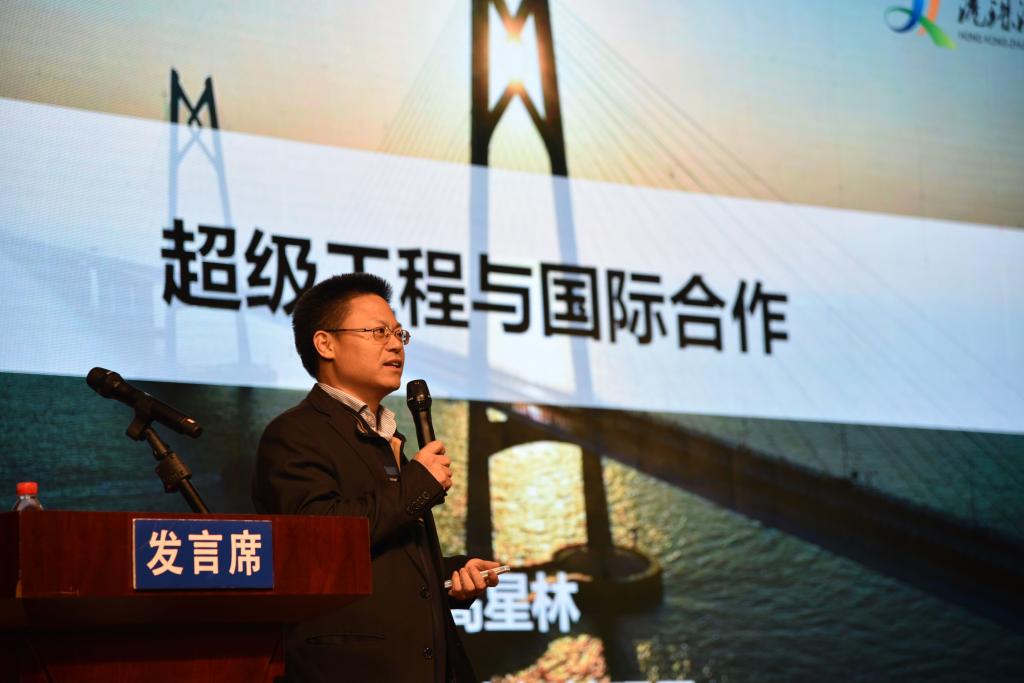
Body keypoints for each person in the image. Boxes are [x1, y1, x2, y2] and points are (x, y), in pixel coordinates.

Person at [252, 272, 501, 683]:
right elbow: (318, 540)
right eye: (377, 332)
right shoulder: (294, 434)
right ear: (325, 344)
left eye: (399, 333)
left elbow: (381, 555)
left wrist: (448, 575)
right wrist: (417, 486)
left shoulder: (387, 436)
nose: (395, 344)